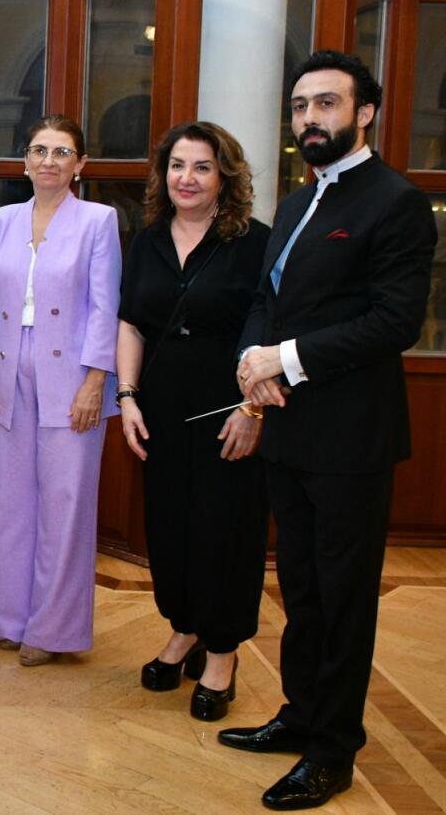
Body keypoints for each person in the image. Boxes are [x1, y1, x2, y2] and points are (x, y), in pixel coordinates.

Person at [226, 51, 436, 810]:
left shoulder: (396, 202)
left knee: (344, 599)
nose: (309, 118)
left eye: (326, 103)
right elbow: (267, 298)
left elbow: (394, 322)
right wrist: (252, 362)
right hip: (288, 432)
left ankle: (333, 751)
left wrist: (283, 357)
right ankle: (301, 715)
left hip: (352, 441)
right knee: (302, 590)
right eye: (300, 106)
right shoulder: (294, 203)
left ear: (364, 112)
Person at [116, 121, 270, 719]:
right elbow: (131, 323)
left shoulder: (256, 244)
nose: (187, 178)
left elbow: (271, 331)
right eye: (177, 165)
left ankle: (222, 651)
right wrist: (128, 398)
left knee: (225, 532)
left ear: (224, 177)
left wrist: (253, 409)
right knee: (170, 527)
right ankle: (185, 629)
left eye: (202, 167)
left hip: (229, 412)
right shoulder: (148, 241)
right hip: (160, 409)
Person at [0, 115, 121, 667]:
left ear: (80, 165)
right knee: (10, 505)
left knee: (65, 505)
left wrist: (95, 381)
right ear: (25, 161)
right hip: (7, 369)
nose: (49, 161)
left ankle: (53, 629)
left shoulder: (98, 221)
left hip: (72, 377)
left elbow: (105, 306)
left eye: (62, 152)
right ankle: (12, 619)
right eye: (39, 150)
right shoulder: (1, 221)